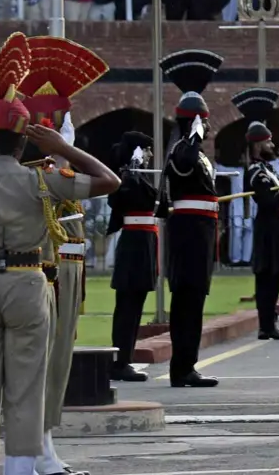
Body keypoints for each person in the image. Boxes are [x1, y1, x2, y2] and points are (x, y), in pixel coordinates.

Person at [0, 35, 120, 475]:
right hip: (27, 283)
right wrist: (61, 148)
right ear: (26, 141)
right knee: (27, 385)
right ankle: (23, 467)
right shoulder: (44, 181)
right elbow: (109, 181)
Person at [16, 37, 108, 475]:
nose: (64, 130)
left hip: (66, 271)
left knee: (57, 364)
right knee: (40, 366)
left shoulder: (58, 173)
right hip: (43, 275)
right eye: (56, 123)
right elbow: (106, 181)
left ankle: (43, 446)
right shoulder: (39, 175)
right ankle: (35, 450)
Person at [158, 49, 225, 388]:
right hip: (188, 235)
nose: (209, 128)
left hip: (199, 234)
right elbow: (183, 161)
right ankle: (182, 367)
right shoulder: (183, 150)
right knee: (187, 301)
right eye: (205, 121)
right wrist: (194, 132)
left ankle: (187, 364)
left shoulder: (194, 153)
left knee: (194, 301)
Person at [235, 88, 279, 342]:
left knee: (273, 277)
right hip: (267, 226)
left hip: (276, 226)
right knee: (266, 278)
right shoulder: (256, 172)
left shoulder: (267, 170)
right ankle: (265, 325)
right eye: (268, 142)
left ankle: (270, 325)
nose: (272, 145)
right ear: (259, 144)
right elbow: (268, 199)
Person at [106, 131, 157, 382]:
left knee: (135, 305)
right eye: (146, 150)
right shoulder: (127, 177)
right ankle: (120, 361)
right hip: (134, 243)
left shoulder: (140, 177)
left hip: (144, 242)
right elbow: (118, 198)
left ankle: (125, 357)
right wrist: (132, 169)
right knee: (127, 305)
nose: (150, 155)